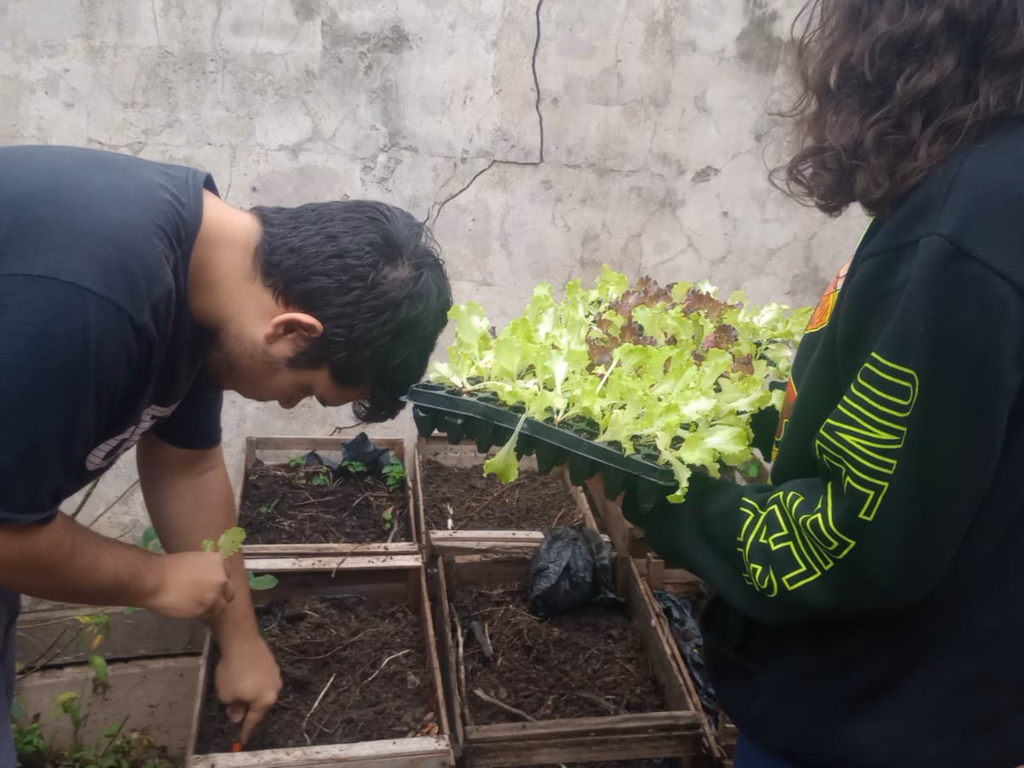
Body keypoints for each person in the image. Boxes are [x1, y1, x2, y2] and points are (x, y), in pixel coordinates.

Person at [621, 1, 1024, 766]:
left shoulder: (965, 226)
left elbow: (851, 542)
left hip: (873, 717)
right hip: (966, 699)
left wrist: (665, 498)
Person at [0, 144, 452, 764]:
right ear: (292, 330)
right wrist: (153, 578)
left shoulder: (204, 275)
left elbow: (187, 462)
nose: (291, 408)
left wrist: (240, 640)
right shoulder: (90, 297)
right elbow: (6, 532)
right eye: (305, 390)